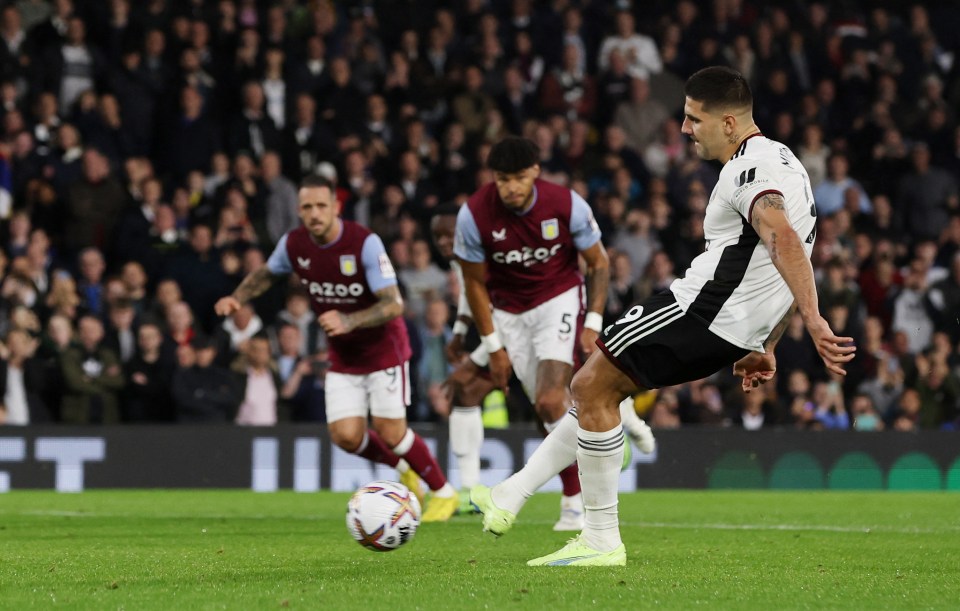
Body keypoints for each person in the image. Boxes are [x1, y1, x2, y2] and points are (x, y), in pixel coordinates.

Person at [471, 67, 856, 566]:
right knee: (597, 389)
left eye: (695, 119)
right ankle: (513, 494)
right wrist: (767, 342)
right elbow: (783, 256)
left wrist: (814, 319)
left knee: (590, 386)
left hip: (700, 309)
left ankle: (600, 537)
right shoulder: (788, 163)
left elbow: (781, 237)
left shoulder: (748, 172)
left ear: (731, 123)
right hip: (735, 326)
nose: (685, 129)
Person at [214, 174, 459, 522]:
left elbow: (393, 304)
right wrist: (236, 299)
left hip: (383, 350)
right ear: (299, 210)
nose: (314, 213)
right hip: (344, 356)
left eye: (321, 206)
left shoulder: (364, 243)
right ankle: (405, 469)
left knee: (391, 431)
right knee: (345, 436)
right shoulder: (294, 244)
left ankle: (443, 492)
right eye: (307, 207)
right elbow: (267, 273)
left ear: (336, 207)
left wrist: (349, 320)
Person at [454, 136, 654, 531]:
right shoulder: (474, 215)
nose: (510, 187)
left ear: (534, 172)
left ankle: (574, 500)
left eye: (517, 178)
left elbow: (597, 262)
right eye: (501, 179)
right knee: (526, 405)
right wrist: (494, 346)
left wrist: (592, 321)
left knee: (548, 400)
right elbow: (474, 283)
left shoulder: (565, 204)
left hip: (557, 300)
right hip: (509, 312)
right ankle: (609, 428)